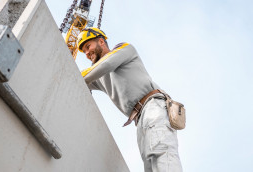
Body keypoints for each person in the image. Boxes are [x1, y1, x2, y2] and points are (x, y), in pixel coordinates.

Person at [77, 27, 183, 172]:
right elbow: (78, 79)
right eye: (84, 51)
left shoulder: (124, 49)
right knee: (150, 164)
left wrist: (78, 71)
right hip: (139, 119)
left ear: (101, 41)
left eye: (88, 46)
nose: (87, 53)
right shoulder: (99, 76)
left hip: (153, 106)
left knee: (161, 153)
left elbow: (106, 65)